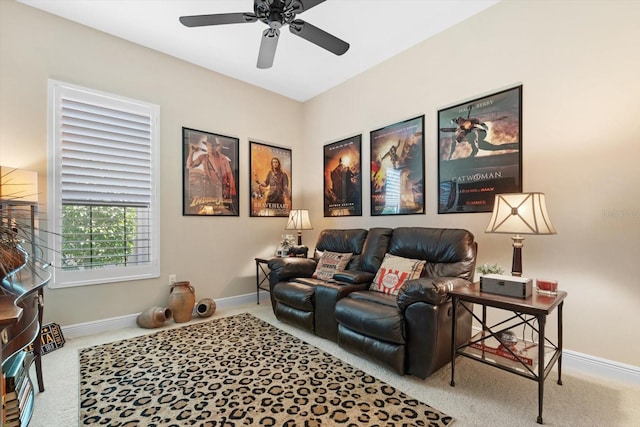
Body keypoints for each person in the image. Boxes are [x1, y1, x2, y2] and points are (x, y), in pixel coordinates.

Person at [187, 136, 236, 202]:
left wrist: (231, 193)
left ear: (216, 147)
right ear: (206, 146)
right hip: (209, 190)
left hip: (221, 191)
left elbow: (230, 177)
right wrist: (191, 152)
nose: (211, 147)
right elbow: (189, 166)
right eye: (209, 145)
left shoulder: (223, 159)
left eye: (213, 145)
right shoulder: (203, 157)